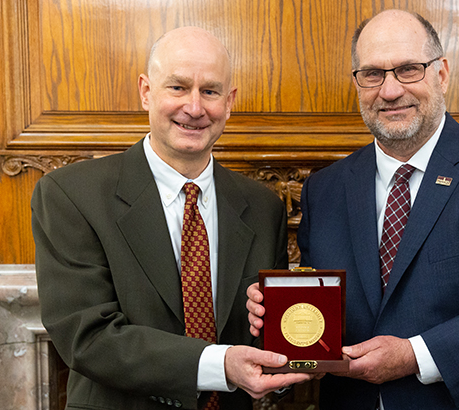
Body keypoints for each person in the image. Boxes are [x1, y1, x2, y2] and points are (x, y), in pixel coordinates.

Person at [247, 9, 459, 410]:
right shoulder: (323, 190)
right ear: (357, 83)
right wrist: (279, 321)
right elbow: (322, 320)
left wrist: (415, 355)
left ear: (442, 73)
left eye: (408, 69)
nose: (390, 90)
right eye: (373, 74)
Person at [32, 27, 310, 410]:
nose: (194, 108)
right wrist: (219, 364)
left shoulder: (262, 207)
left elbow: (265, 336)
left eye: (210, 91)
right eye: (177, 88)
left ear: (229, 102)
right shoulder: (72, 195)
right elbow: (86, 336)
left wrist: (290, 362)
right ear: (146, 92)